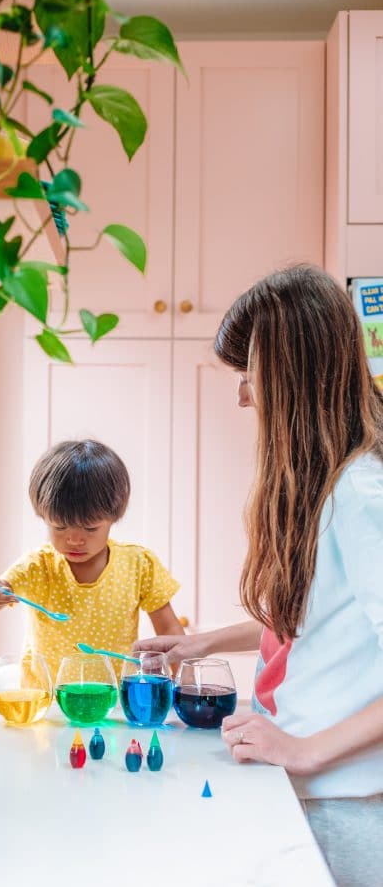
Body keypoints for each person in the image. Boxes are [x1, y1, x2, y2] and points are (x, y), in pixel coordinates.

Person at [136, 265, 383, 887]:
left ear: (292, 370)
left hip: (350, 803)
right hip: (314, 787)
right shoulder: (334, 485)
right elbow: (325, 619)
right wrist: (205, 642)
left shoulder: (362, 492)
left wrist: (302, 749)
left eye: (250, 370)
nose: (243, 393)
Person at [0, 439, 184, 680]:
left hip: (113, 702)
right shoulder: (38, 566)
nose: (74, 539)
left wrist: (184, 682)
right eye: (59, 527)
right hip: (48, 703)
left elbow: (168, 628)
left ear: (113, 517)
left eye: (90, 528)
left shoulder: (139, 564)